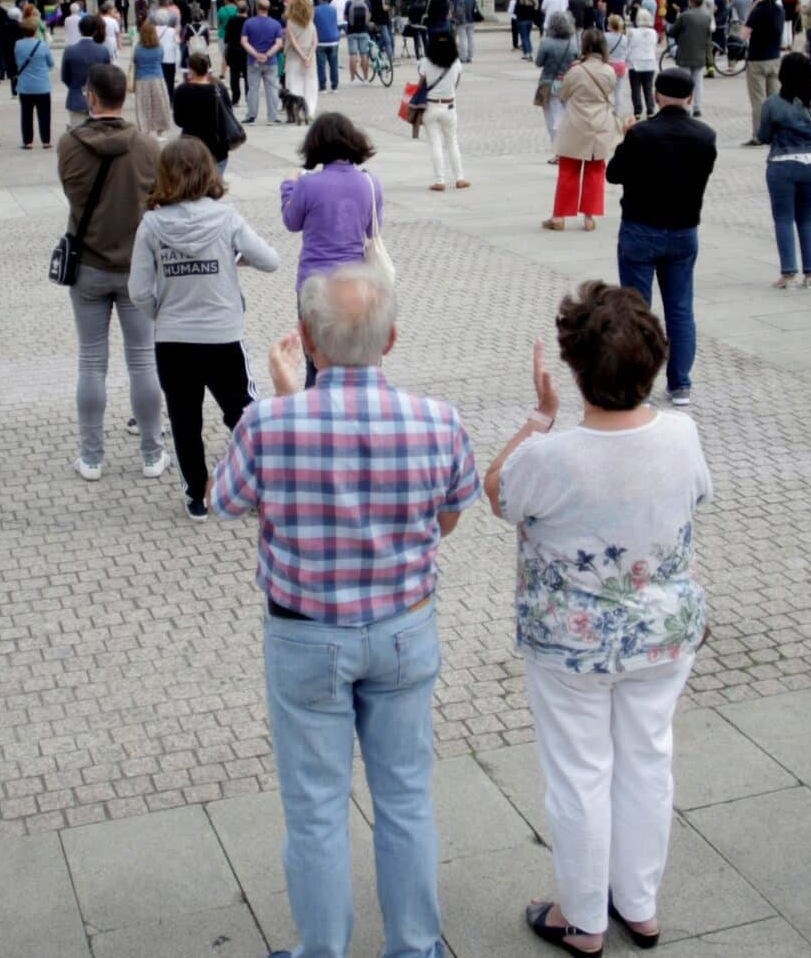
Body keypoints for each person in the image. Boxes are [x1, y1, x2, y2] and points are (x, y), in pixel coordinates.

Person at [210, 264, 477, 958]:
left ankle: (322, 950)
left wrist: (287, 402)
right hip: (403, 628)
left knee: (316, 808)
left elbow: (226, 501)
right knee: (407, 798)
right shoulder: (437, 419)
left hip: (305, 637)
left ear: (306, 340)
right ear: (391, 339)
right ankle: (416, 948)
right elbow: (448, 516)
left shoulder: (270, 421)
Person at [481, 283, 708, 955]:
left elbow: (497, 491)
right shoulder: (683, 433)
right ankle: (638, 903)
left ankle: (581, 917)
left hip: (571, 642)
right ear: (655, 365)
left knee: (580, 770)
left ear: (575, 369)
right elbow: (700, 494)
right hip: (662, 633)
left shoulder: (553, 456)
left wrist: (539, 415)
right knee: (648, 758)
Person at [129, 137, 280, 520]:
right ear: (208, 173)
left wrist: (161, 313)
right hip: (222, 335)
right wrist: (231, 259)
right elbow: (270, 260)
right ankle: (258, 488)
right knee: (244, 414)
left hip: (173, 339)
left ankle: (197, 496)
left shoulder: (152, 224)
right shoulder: (226, 218)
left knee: (184, 419)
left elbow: (138, 291)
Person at [58, 64, 168, 482]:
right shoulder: (147, 147)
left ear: (90, 96)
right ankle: (152, 454)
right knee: (143, 361)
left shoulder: (69, 145)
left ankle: (91, 457)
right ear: (127, 95)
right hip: (136, 266)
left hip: (87, 264)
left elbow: (73, 194)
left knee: (91, 361)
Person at [607, 68, 715, 406]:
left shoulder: (642, 134)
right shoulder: (705, 136)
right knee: (680, 309)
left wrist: (626, 139)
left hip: (642, 227)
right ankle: (680, 382)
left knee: (638, 310)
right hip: (684, 229)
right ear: (690, 97)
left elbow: (614, 174)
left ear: (656, 96)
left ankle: (638, 383)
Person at [281, 113, 383, 386]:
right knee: (359, 361)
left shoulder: (307, 184)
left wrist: (288, 186)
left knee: (317, 366)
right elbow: (373, 229)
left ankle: (315, 420)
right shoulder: (370, 183)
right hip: (356, 285)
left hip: (313, 285)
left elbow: (291, 222)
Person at [757, 52, 811, 289]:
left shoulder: (773, 103)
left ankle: (788, 272)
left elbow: (763, 135)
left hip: (783, 163)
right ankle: (810, 272)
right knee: (807, 218)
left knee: (784, 219)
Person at [546, 30, 619, 233]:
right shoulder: (609, 71)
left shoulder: (576, 70)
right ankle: (589, 217)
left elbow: (563, 93)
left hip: (576, 123)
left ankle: (559, 216)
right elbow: (611, 91)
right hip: (599, 124)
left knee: (568, 171)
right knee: (595, 171)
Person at [412, 29, 468, 193]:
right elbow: (455, 85)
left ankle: (440, 180)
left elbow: (421, 83)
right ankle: (460, 178)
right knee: (452, 142)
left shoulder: (425, 62)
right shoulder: (456, 63)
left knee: (435, 143)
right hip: (449, 106)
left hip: (430, 107)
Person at [171, 51, 235, 172]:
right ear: (207, 68)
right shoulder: (219, 88)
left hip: (191, 147)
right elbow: (228, 114)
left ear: (191, 69)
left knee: (193, 186)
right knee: (215, 186)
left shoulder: (182, 90)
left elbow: (178, 120)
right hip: (217, 148)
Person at [742, 0, 784, 142]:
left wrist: (755, 5)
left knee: (758, 100)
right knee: (774, 97)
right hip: (774, 58)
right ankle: (775, 132)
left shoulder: (757, 12)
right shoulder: (780, 10)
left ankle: (759, 134)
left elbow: (743, 35)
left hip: (757, 59)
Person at [536, 10, 578, 152]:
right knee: (565, 114)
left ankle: (558, 148)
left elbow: (539, 62)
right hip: (566, 82)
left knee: (552, 118)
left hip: (548, 81)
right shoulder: (573, 44)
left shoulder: (546, 43)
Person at [13, 9, 55, 149]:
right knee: (45, 114)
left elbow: (16, 61)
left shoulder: (18, 45)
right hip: (42, 85)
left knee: (26, 115)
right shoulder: (42, 45)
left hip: (25, 85)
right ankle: (46, 141)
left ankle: (28, 141)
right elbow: (51, 64)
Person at [61, 13, 109, 130]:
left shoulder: (70, 51)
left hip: (76, 97)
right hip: (98, 99)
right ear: (95, 31)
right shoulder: (103, 50)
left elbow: (65, 77)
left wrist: (75, 86)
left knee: (77, 137)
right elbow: (107, 76)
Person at [242, 1, 284, 125]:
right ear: (268, 9)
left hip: (253, 61)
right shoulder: (276, 24)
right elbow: (279, 43)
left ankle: (251, 115)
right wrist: (267, 55)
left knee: (253, 89)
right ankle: (272, 117)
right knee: (272, 89)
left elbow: (244, 41)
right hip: (271, 61)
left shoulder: (248, 23)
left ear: (256, 7)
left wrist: (255, 54)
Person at [129, 20, 173, 140]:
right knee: (160, 106)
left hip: (141, 80)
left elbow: (134, 62)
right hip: (157, 78)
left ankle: (145, 131)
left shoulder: (137, 48)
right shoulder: (159, 47)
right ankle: (160, 132)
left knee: (143, 107)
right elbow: (160, 60)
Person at [283, 0, 320, 120]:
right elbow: (315, 42)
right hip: (310, 55)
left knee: (294, 83)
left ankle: (296, 112)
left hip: (294, 56)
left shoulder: (290, 22)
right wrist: (308, 57)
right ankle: (309, 111)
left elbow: (293, 42)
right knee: (310, 83)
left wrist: (303, 57)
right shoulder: (311, 22)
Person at [625, 8, 662, 117]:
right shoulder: (653, 32)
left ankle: (637, 110)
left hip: (635, 62)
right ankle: (650, 109)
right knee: (648, 87)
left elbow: (629, 46)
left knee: (635, 88)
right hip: (649, 62)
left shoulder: (632, 32)